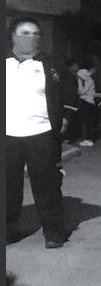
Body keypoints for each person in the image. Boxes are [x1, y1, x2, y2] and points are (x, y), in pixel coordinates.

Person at [5, 17, 79, 248]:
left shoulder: (51, 64)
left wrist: (65, 117)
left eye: (36, 33)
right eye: (25, 33)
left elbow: (70, 90)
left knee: (46, 184)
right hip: (8, 136)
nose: (32, 37)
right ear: (13, 36)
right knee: (7, 186)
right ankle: (8, 229)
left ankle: (54, 232)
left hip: (42, 133)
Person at [74, 61, 97, 146]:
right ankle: (87, 138)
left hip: (87, 102)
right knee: (85, 120)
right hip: (85, 101)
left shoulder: (88, 80)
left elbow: (82, 92)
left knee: (88, 121)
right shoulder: (88, 79)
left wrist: (79, 82)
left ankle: (89, 139)